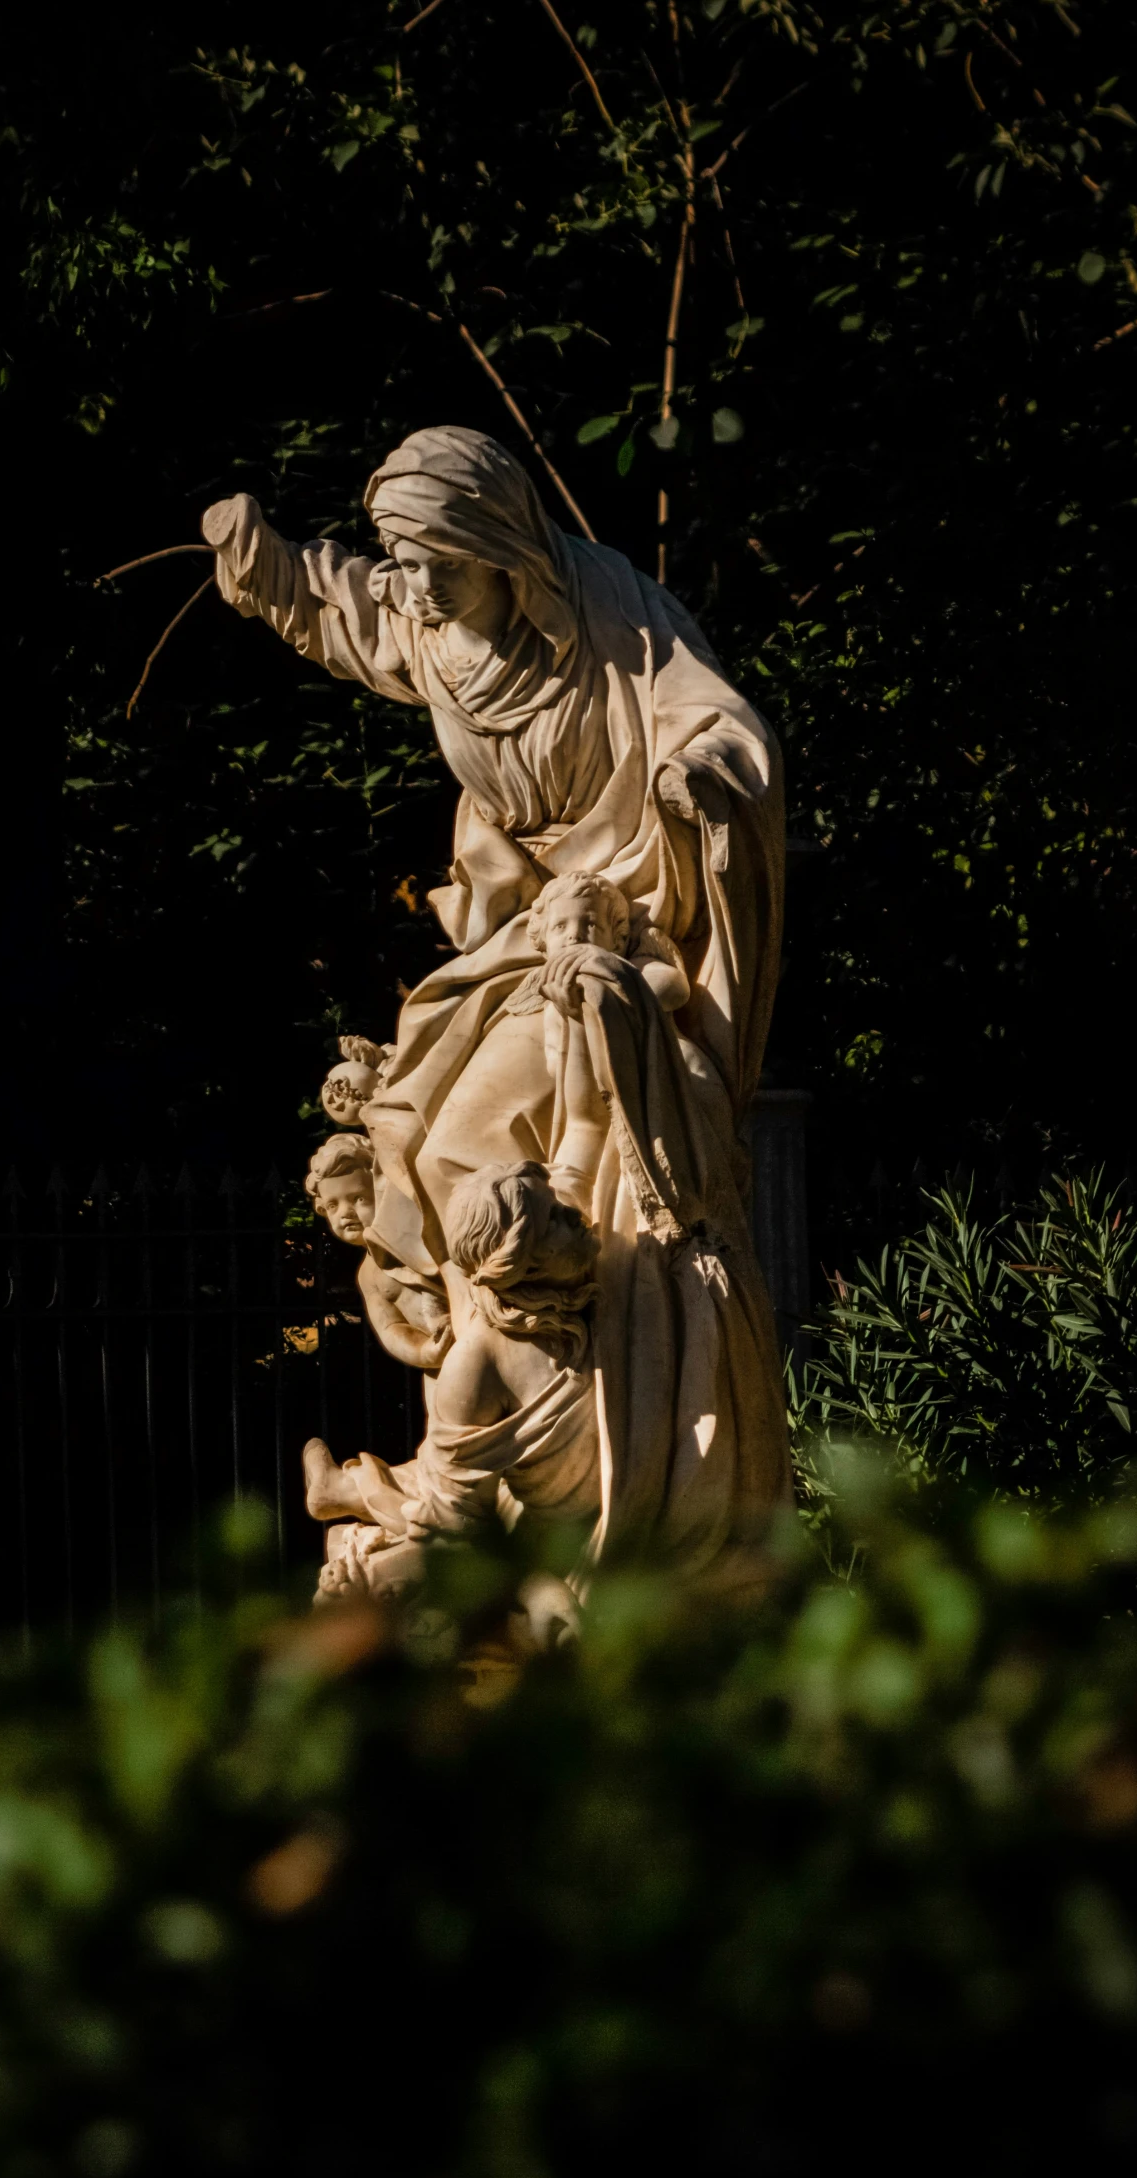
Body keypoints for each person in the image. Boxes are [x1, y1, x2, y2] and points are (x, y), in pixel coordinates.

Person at [207, 425, 790, 1569]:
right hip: (517, 921)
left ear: (498, 543)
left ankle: (532, 1424)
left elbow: (715, 720)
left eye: (436, 558)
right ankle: (501, 1426)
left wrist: (698, 778)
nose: (415, 585)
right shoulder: (429, 627)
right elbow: (351, 610)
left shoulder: (609, 619)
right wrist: (267, 565)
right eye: (402, 557)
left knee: (467, 1144)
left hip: (613, 916)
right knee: (410, 1139)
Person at [308, 1162, 597, 1642]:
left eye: (357, 1197)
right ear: (515, 1254)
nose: (577, 1217)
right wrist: (536, 1586)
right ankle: (357, 1493)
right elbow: (457, 1525)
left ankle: (350, 1490)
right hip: (560, 1544)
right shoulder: (480, 1363)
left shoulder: (609, 1306)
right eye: (555, 1219)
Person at [303, 1133, 450, 1374]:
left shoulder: (424, 1237)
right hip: (441, 1363)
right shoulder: (369, 1275)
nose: (345, 1212)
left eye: (358, 1198)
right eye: (333, 1205)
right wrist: (425, 1352)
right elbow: (391, 1327)